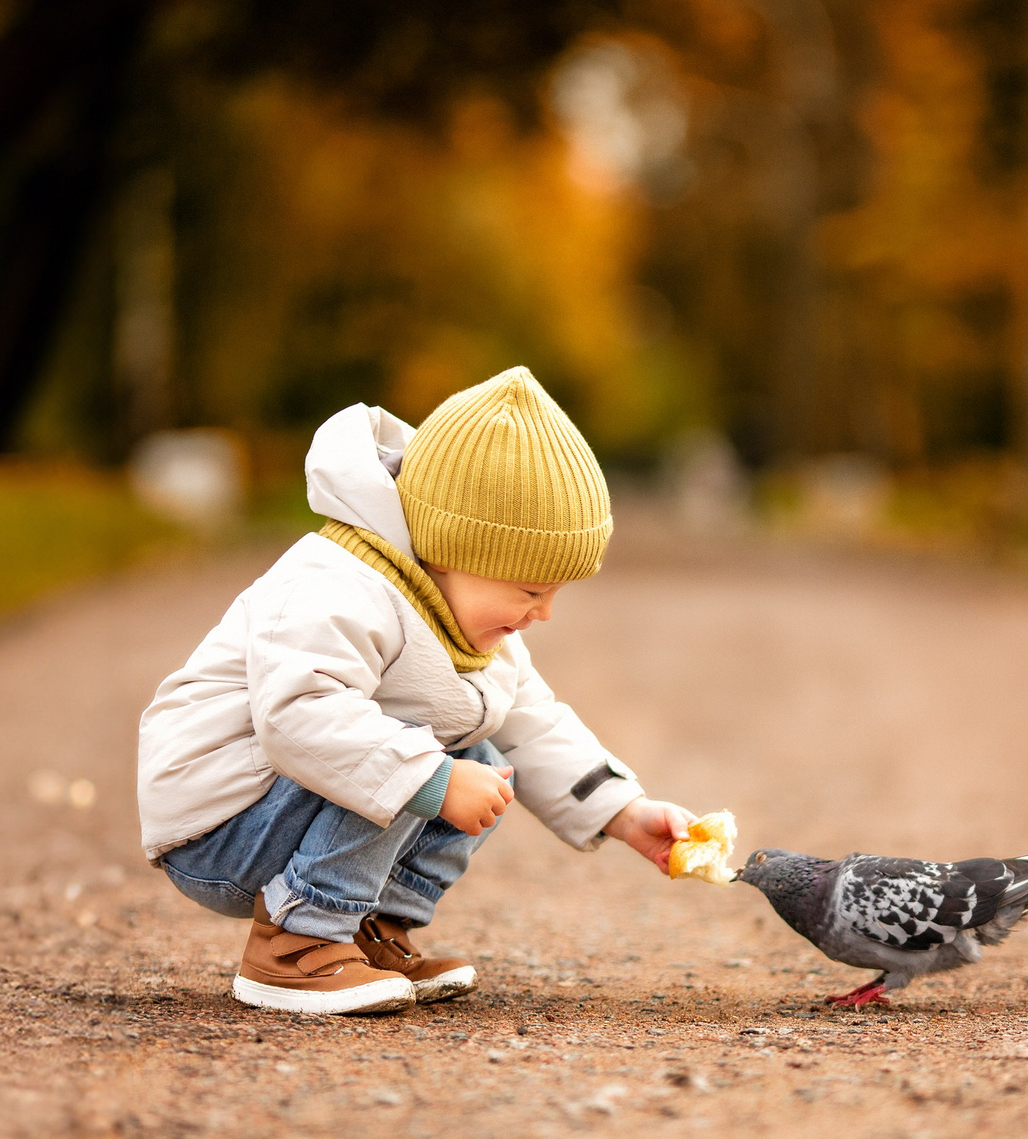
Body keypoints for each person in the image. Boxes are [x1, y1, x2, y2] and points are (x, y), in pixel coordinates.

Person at [137, 368, 695, 1015]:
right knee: (419, 758)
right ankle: (296, 945)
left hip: (279, 813)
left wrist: (626, 813)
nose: (544, 613)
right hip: (220, 823)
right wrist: (432, 777)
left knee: (484, 762)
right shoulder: (336, 585)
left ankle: (369, 929)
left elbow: (534, 722)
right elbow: (299, 715)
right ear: (455, 550)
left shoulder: (461, 619)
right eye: (531, 591)